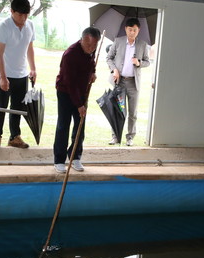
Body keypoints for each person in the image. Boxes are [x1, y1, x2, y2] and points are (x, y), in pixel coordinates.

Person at [53, 27, 101, 173]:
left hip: (82, 92)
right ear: (82, 40)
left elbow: (91, 64)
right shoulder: (70, 55)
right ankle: (59, 160)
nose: (91, 49)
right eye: (89, 45)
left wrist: (93, 73)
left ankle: (75, 157)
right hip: (66, 92)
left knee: (80, 126)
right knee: (63, 125)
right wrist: (79, 105)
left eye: (94, 46)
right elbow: (70, 83)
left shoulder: (90, 52)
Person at [0, 0, 37, 149]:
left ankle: (15, 137)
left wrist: (33, 68)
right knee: (1, 106)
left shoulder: (30, 25)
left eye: (26, 15)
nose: (24, 18)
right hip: (4, 74)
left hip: (22, 75)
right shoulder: (3, 26)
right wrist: (3, 77)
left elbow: (30, 48)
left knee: (17, 108)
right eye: (20, 15)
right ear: (11, 11)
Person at [106, 17, 151, 146]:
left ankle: (130, 137)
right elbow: (109, 57)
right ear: (126, 29)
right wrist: (114, 69)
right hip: (119, 82)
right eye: (130, 29)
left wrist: (139, 62)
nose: (132, 32)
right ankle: (115, 136)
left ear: (138, 30)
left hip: (133, 83)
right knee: (118, 111)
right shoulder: (118, 41)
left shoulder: (142, 45)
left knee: (133, 112)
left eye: (135, 30)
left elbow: (147, 62)